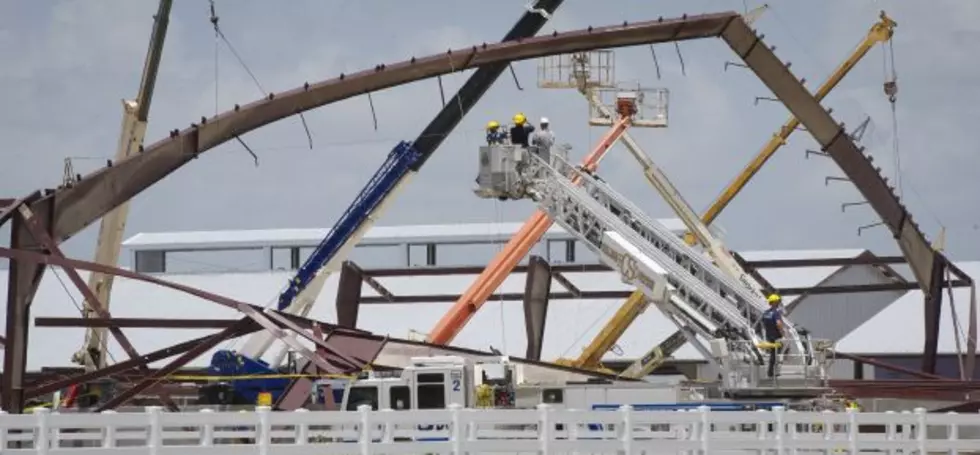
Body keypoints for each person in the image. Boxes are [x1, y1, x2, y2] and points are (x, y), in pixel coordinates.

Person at [761, 293, 784, 378]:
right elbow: (778, 324)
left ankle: (770, 371)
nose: (778, 303)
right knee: (776, 354)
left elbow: (763, 324)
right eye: (777, 301)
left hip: (769, 336)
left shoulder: (765, 313)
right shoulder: (776, 313)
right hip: (776, 337)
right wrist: (783, 334)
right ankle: (773, 372)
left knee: (772, 354)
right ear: (774, 302)